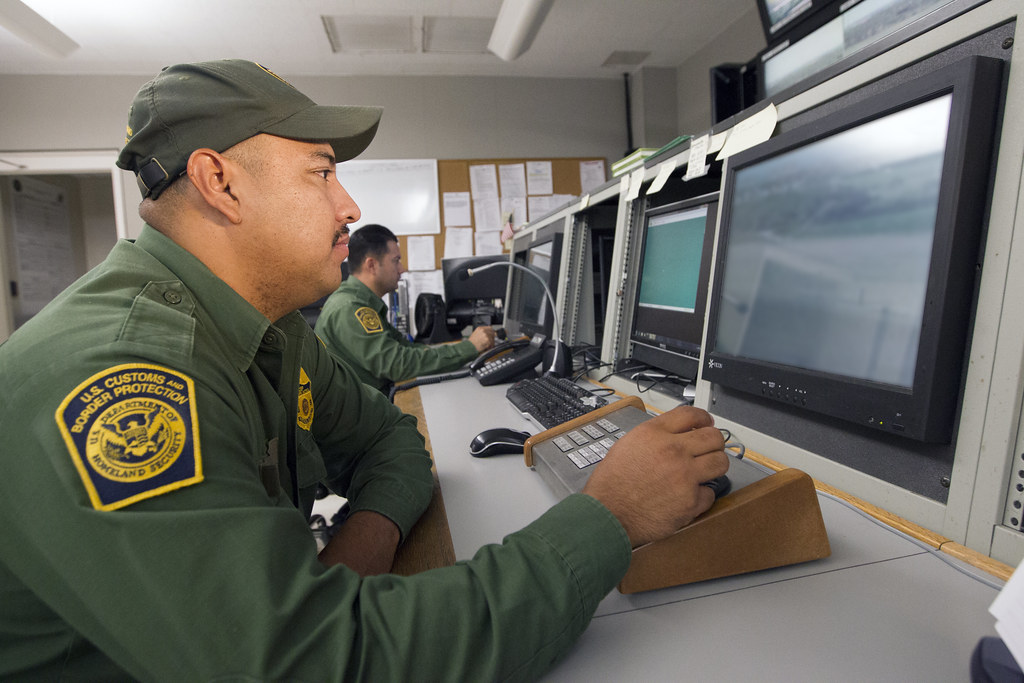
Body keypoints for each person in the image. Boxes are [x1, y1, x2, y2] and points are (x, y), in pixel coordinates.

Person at [0, 59, 729, 681]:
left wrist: (357, 549)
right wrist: (611, 514)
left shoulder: (273, 332)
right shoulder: (123, 377)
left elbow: (392, 441)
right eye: (321, 173)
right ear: (219, 182)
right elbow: (318, 664)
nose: (349, 205)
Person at [315, 223, 496, 395]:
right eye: (396, 261)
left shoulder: (362, 302)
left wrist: (460, 348)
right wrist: (469, 348)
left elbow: (405, 349)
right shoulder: (350, 308)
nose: (401, 269)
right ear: (371, 265)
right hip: (359, 417)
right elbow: (397, 364)